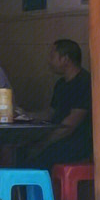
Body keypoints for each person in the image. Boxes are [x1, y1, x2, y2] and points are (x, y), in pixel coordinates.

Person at [23, 39, 92, 168]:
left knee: (37, 158)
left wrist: (43, 144)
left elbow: (69, 126)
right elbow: (51, 113)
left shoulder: (84, 83)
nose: (49, 61)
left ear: (65, 59)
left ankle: (43, 188)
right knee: (21, 150)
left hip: (77, 143)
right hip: (59, 138)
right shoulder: (61, 83)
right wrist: (26, 115)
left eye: (52, 56)